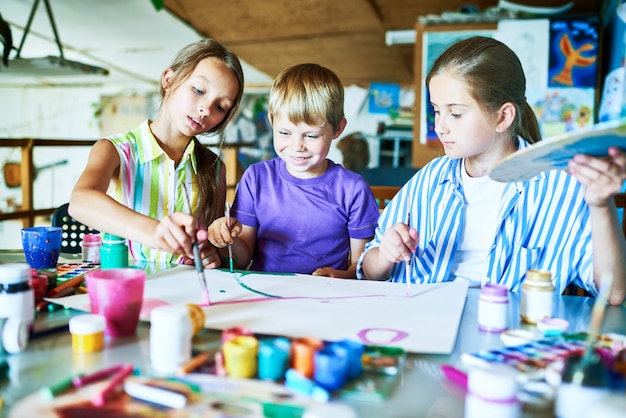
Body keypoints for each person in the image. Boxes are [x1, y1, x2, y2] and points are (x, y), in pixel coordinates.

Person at [358, 36, 626, 306]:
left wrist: (600, 205)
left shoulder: (560, 186)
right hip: (421, 322)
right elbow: (369, 271)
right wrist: (385, 255)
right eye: (437, 111)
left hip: (506, 336)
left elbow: (613, 293)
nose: (440, 126)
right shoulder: (429, 178)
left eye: (456, 113)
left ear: (502, 117)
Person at [69, 38, 244, 266]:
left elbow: (208, 243)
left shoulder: (215, 168)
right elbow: (80, 202)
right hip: (125, 287)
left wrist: (210, 252)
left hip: (185, 292)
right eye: (199, 90)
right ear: (169, 80)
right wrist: (156, 233)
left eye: (220, 106)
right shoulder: (114, 150)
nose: (205, 109)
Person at [208, 63, 380, 278]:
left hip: (327, 297)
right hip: (266, 293)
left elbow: (362, 267)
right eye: (285, 132)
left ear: (338, 129)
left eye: (311, 136)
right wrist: (226, 240)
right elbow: (242, 260)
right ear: (271, 121)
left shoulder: (353, 189)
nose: (297, 146)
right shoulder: (256, 178)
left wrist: (341, 276)